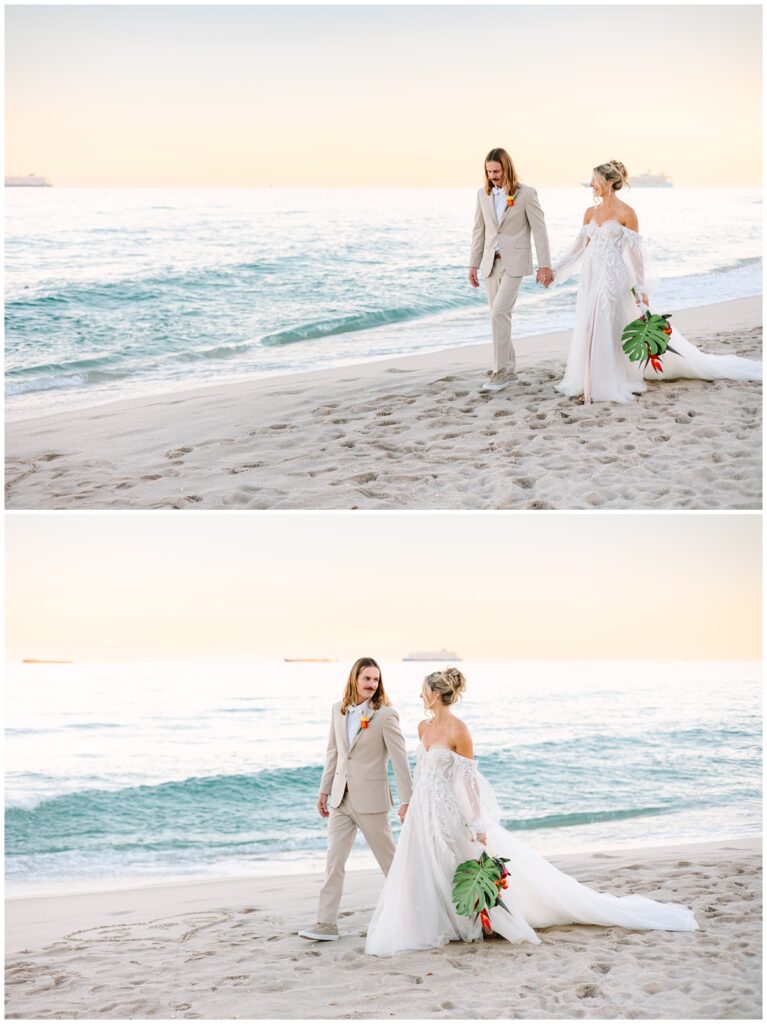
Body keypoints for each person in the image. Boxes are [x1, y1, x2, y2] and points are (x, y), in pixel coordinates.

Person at [365, 667, 697, 957]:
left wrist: (478, 822)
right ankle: (437, 920)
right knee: (426, 865)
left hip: (450, 812)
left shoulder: (459, 731)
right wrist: (410, 805)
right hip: (424, 812)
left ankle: (477, 920)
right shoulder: (423, 728)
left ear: (436, 695)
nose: (420, 697)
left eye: (424, 692)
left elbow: (470, 782)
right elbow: (423, 772)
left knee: (457, 862)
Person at [552, 160, 762, 403]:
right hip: (590, 277)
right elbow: (577, 249)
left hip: (614, 278)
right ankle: (588, 379)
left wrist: (641, 289)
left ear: (609, 182)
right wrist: (555, 271)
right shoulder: (589, 212)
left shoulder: (626, 213)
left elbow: (636, 254)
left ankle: (602, 384)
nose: (591, 184)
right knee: (590, 326)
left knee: (604, 327)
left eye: (595, 180)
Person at [298, 657, 413, 941]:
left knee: (390, 861)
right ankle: (326, 924)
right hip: (340, 799)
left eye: (376, 680)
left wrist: (406, 801)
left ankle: (416, 911)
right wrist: (324, 790)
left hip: (372, 801)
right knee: (333, 862)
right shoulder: (337, 711)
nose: (372, 685)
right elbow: (333, 753)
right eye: (367, 679)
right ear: (354, 679)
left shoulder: (386, 715)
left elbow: (400, 761)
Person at [468, 148, 553, 393]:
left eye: (496, 171)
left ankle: (500, 371)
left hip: (515, 261)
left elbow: (539, 230)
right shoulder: (481, 195)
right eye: (488, 171)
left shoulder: (526, 194)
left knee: (499, 313)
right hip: (490, 263)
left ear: (507, 168)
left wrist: (544, 265)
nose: (492, 176)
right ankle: (510, 369)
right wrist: (473, 264)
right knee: (499, 316)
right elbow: (479, 231)